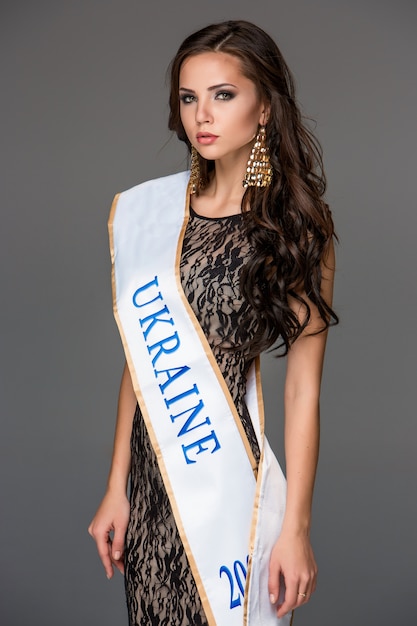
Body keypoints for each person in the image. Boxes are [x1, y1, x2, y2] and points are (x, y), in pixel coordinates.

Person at [88, 19, 337, 626]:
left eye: (223, 95)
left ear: (264, 108)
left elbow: (303, 390)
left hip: (225, 480)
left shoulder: (294, 230)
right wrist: (116, 484)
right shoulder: (158, 216)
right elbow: (141, 367)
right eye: (189, 97)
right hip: (151, 486)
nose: (203, 114)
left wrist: (296, 529)